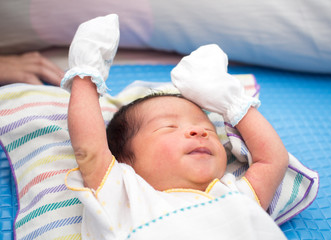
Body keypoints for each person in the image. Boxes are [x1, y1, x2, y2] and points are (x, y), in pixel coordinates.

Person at [62, 14, 289, 239]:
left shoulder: (235, 195)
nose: (199, 132)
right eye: (169, 126)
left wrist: (233, 103)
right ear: (123, 161)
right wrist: (85, 74)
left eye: (209, 130)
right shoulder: (123, 194)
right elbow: (89, 148)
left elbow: (272, 160)